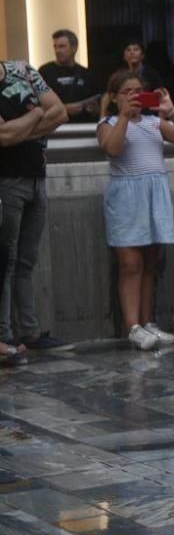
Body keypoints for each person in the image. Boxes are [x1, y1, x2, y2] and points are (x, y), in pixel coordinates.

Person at [97, 71, 174, 350]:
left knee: (151, 263)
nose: (134, 95)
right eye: (127, 91)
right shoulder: (109, 123)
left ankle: (148, 321)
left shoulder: (154, 122)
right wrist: (125, 117)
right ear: (114, 97)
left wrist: (171, 110)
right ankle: (132, 326)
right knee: (130, 264)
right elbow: (112, 148)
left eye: (138, 90)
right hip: (127, 197)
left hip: (155, 194)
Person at [0, 60, 71, 356]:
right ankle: (4, 335)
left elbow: (61, 112)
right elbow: (2, 137)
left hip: (36, 177)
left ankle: (29, 332)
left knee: (26, 261)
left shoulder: (24, 71)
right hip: (6, 180)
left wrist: (22, 128)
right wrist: (39, 113)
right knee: (5, 262)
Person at [38, 29, 99, 123]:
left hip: (82, 127)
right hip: (54, 128)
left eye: (62, 46)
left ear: (74, 48)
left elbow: (97, 107)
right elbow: (37, 106)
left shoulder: (86, 74)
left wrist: (93, 109)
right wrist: (64, 109)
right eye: (55, 47)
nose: (57, 51)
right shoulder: (44, 72)